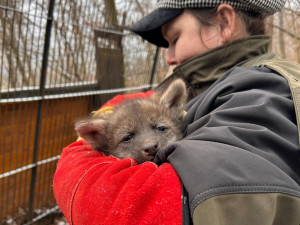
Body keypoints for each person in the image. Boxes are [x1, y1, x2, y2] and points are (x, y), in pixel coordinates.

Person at [53, 0, 300, 224]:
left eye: (175, 39)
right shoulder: (220, 86)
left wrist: (78, 158)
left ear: (224, 23)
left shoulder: (261, 94)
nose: (169, 57)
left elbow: (152, 204)